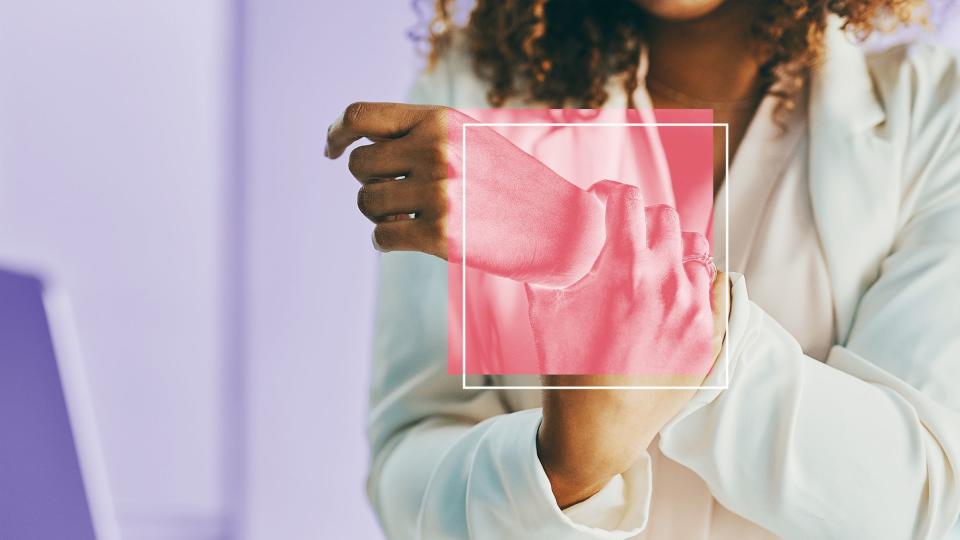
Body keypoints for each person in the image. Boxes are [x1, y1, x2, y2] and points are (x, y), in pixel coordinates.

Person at [325, 0, 960, 537]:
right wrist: (559, 476)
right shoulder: (471, 87)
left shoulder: (935, 111)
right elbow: (411, 460)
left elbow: (923, 503)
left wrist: (573, 241)